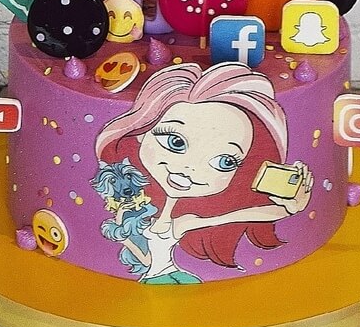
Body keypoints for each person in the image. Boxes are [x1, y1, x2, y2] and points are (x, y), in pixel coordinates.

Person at [93, 62, 313, 284]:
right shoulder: (139, 213)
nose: (190, 168)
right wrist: (125, 237)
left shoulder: (183, 222)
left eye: (225, 162)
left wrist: (290, 208)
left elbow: (241, 215)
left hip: (177, 277)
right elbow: (146, 259)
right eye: (176, 142)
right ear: (142, 132)